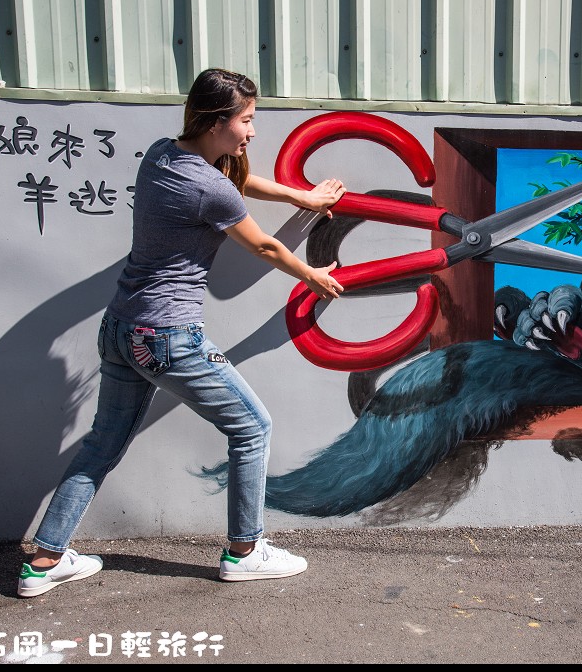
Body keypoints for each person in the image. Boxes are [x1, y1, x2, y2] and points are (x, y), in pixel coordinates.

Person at [17, 68, 346, 597]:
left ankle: (44, 561)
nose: (253, 132)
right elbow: (260, 243)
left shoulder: (161, 153)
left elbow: (233, 184)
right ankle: (244, 551)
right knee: (253, 427)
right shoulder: (210, 187)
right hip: (169, 337)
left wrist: (298, 199)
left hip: (121, 327)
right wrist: (314, 275)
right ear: (218, 122)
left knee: (102, 443)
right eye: (246, 121)